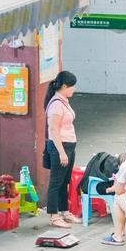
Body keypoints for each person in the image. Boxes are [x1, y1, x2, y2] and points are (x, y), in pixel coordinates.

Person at [44, 71, 81, 228]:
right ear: (64, 86)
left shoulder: (64, 100)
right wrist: (61, 152)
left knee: (64, 181)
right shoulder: (56, 105)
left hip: (69, 145)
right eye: (72, 86)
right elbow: (53, 130)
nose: (74, 89)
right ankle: (54, 215)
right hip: (60, 146)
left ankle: (64, 211)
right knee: (56, 182)